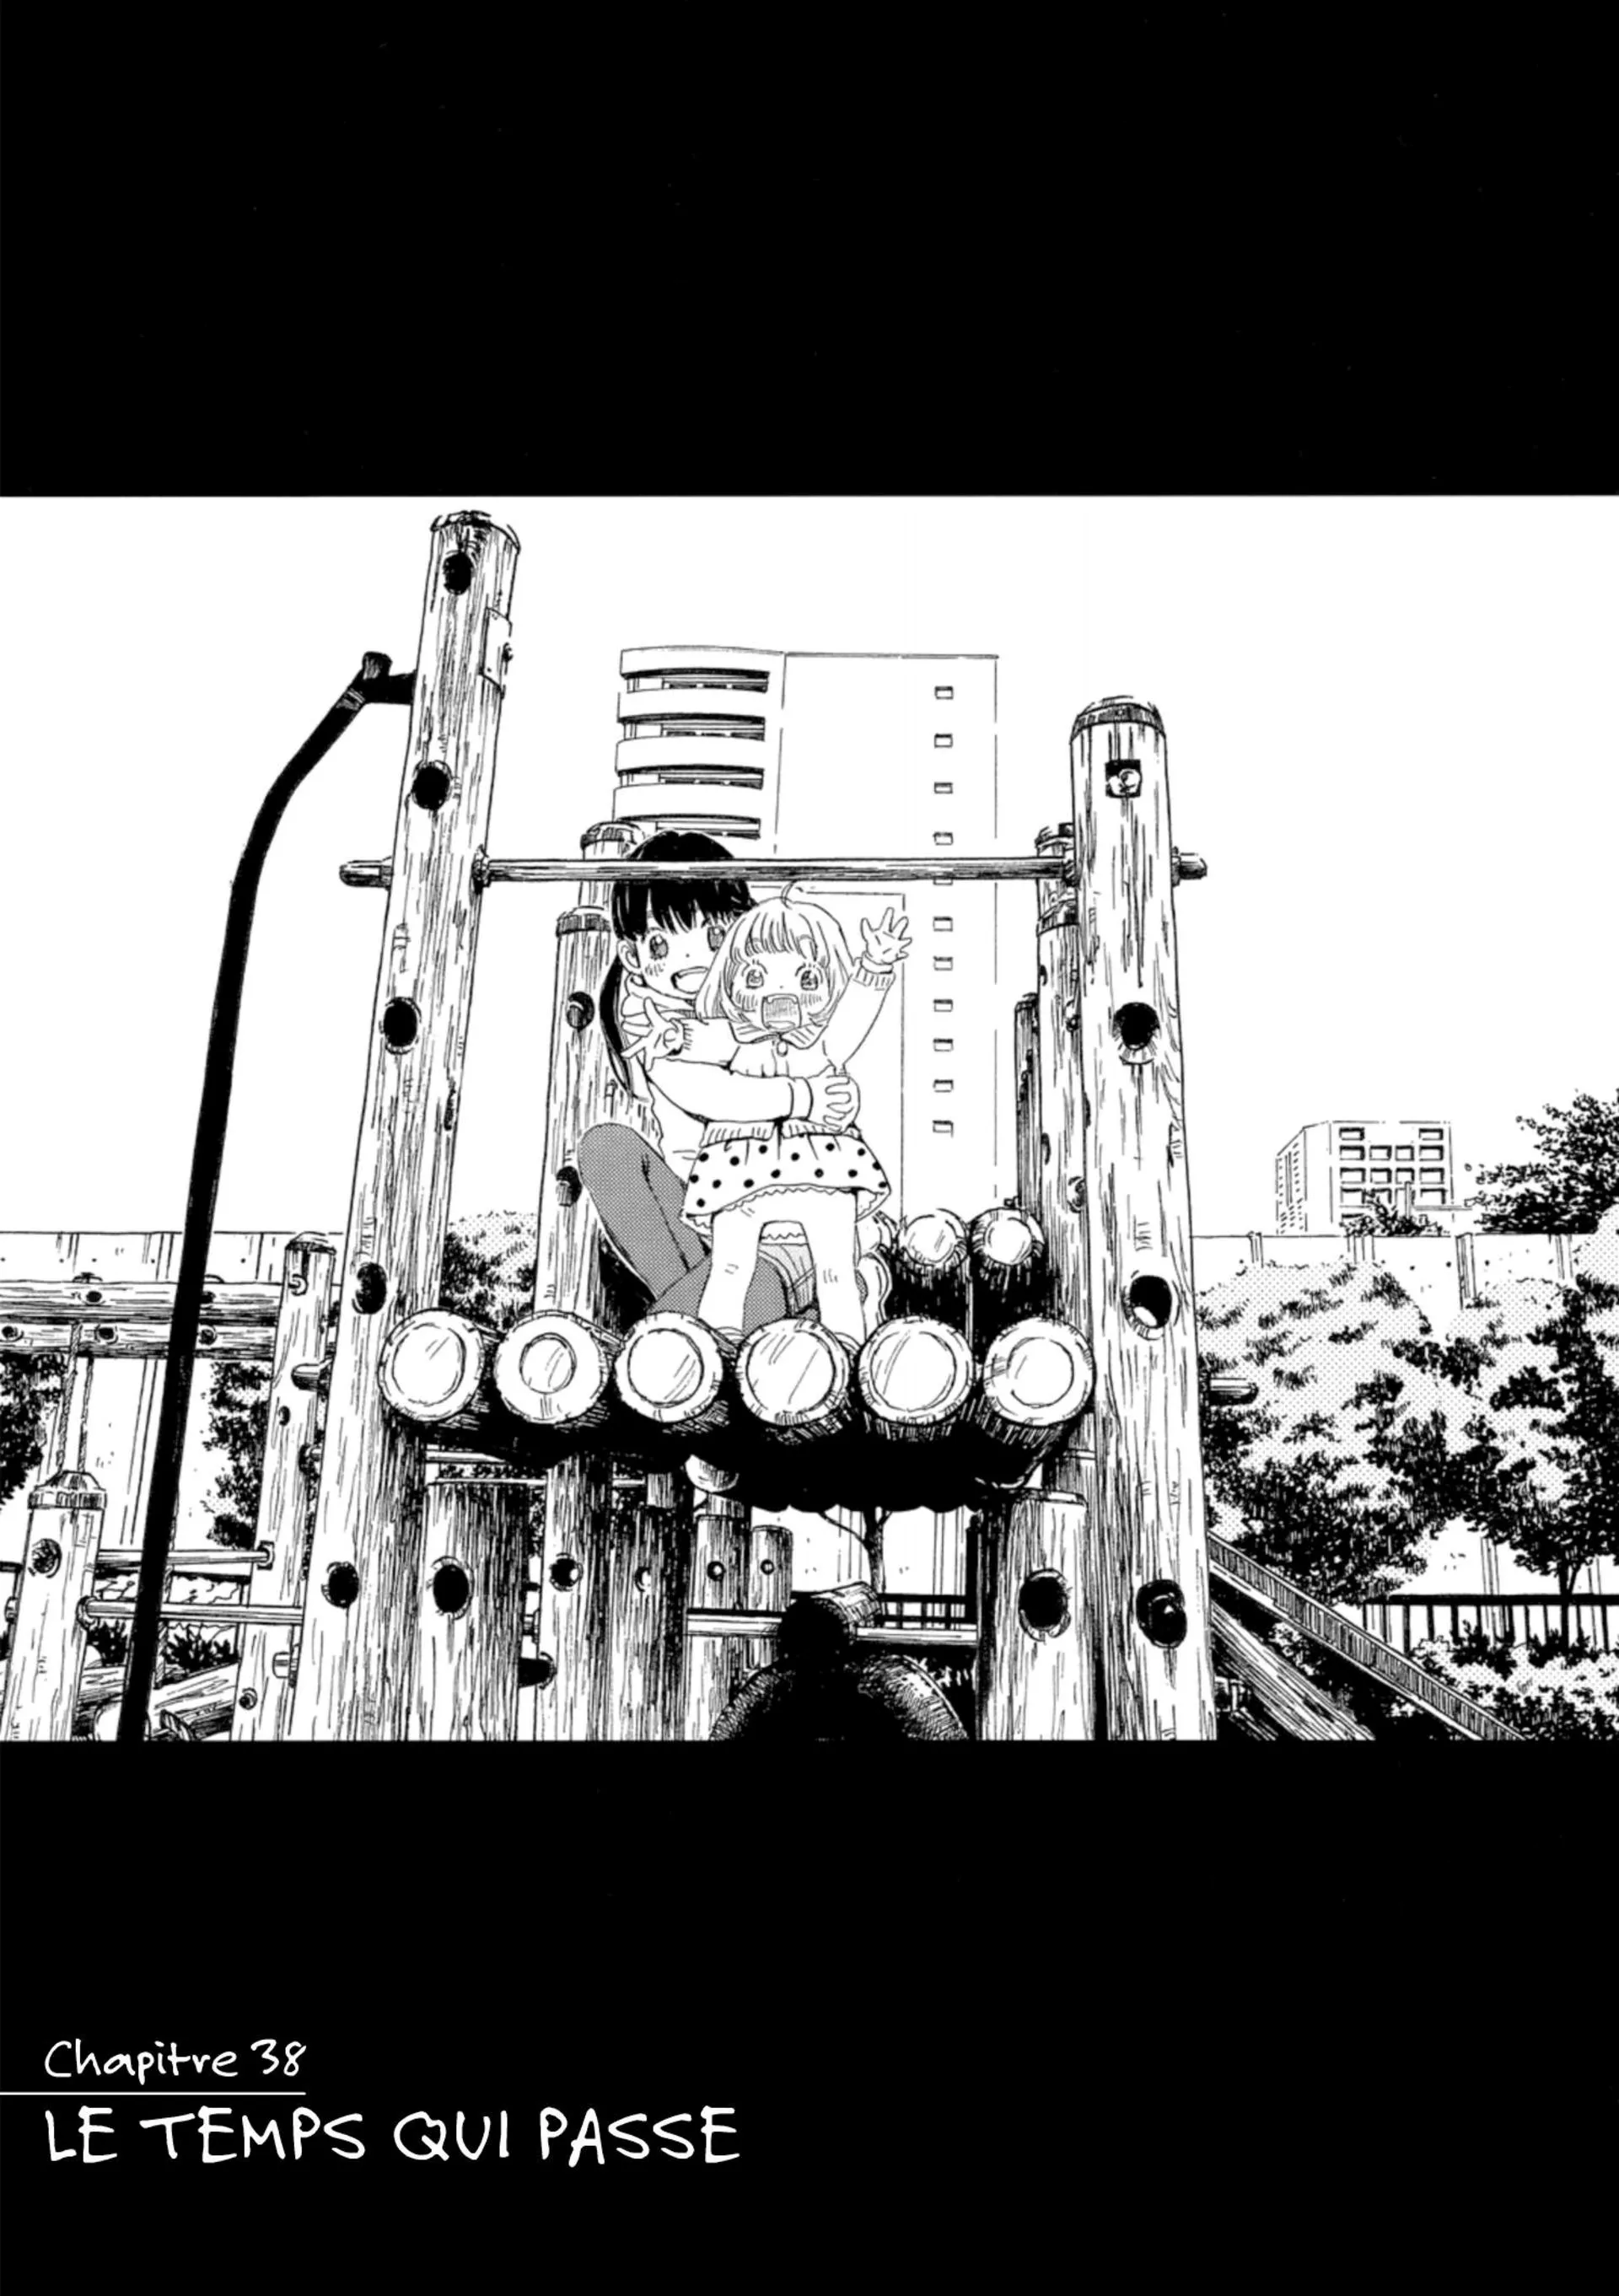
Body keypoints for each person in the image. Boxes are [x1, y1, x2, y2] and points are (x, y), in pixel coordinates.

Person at [576, 832, 860, 1334]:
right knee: (606, 1148)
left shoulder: (771, 1004)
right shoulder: (656, 1027)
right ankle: (695, 1320)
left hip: (781, 1231)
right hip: (701, 1221)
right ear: (634, 957)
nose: (693, 963)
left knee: (735, 1292)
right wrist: (802, 1097)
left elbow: (833, 1033)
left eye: (714, 939)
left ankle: (687, 1326)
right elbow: (706, 1090)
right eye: (662, 945)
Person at [683, 886, 911, 1344]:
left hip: (819, 1165)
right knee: (729, 1267)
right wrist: (667, 1033)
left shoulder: (824, 1045)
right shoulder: (732, 1041)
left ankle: (846, 1351)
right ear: (728, 981)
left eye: (806, 978)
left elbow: (854, 1015)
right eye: (755, 977)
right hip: (740, 1166)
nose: (779, 993)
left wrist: (874, 965)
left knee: (835, 1269)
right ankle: (715, 1350)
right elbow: (690, 1041)